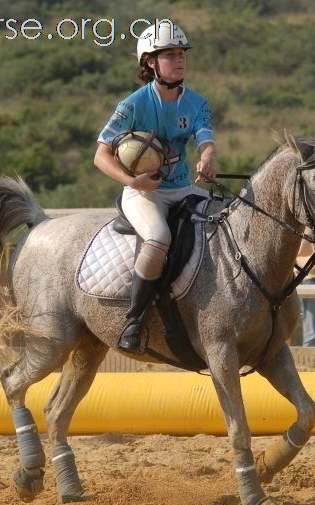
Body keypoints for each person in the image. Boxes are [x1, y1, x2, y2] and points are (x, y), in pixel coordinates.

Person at [93, 20, 216, 353]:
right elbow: (101, 156)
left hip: (183, 189)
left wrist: (208, 156)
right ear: (149, 62)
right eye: (170, 54)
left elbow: (205, 138)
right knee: (159, 237)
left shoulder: (197, 102)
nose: (179, 60)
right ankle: (134, 320)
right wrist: (133, 181)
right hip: (143, 193)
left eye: (181, 54)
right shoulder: (132, 105)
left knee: (225, 218)